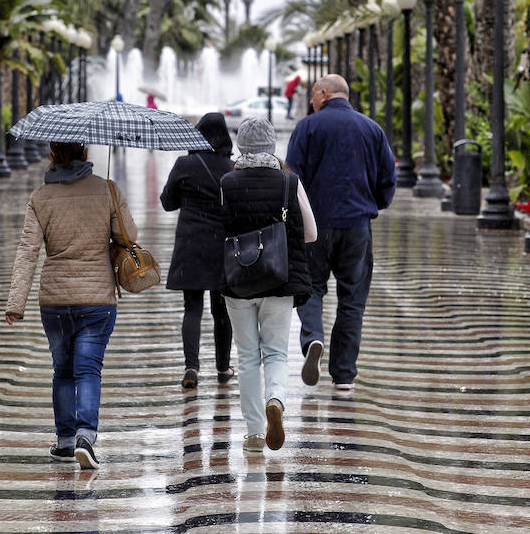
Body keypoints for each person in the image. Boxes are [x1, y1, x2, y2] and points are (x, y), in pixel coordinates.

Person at [5, 141, 139, 470]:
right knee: (88, 369)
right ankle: (85, 436)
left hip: (55, 300)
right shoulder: (106, 189)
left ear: (52, 156)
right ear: (85, 154)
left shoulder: (40, 197)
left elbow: (28, 251)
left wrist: (15, 302)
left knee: (62, 371)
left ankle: (65, 441)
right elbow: (129, 235)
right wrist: (110, 202)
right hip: (97, 299)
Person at [286, 74, 396, 395]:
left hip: (315, 225)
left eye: (312, 96)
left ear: (324, 92)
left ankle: (313, 339)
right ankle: (344, 375)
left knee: (310, 287)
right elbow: (388, 178)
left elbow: (293, 178)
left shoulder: (308, 128)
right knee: (353, 299)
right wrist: (372, 204)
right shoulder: (372, 129)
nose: (310, 102)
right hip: (357, 226)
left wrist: (295, 219)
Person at [220, 116, 317, 453]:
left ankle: (253, 433)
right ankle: (275, 400)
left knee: (247, 357)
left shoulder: (226, 183)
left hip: (237, 283)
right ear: (272, 146)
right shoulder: (289, 183)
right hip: (279, 279)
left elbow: (217, 232)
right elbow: (311, 233)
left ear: (241, 146)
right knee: (276, 351)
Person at [160, 113, 234, 389]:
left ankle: (191, 366)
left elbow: (168, 202)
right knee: (221, 311)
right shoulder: (231, 168)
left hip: (190, 244)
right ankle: (223, 367)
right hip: (221, 246)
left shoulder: (185, 164)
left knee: (192, 309)